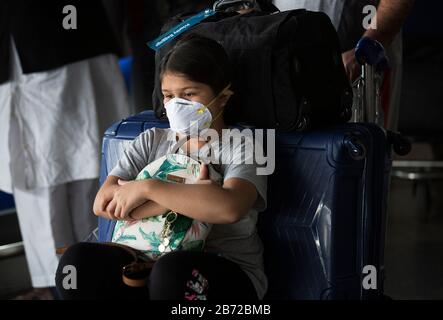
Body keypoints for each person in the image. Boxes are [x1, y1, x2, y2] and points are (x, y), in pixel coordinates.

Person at [55, 34, 268, 300]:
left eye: (189, 94)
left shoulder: (245, 145)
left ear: (222, 97)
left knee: (170, 273)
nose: (176, 105)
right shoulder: (151, 141)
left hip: (218, 267)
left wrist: (147, 187)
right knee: (78, 262)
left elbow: (228, 207)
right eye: (168, 95)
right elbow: (104, 204)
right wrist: (186, 196)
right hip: (142, 256)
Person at [0, 0, 130, 299]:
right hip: (37, 41)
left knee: (81, 170)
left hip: (55, 39)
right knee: (53, 175)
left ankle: (83, 278)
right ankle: (70, 281)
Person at [273, 0, 414, 131]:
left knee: (366, 149)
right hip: (285, 64)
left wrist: (368, 47)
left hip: (360, 69)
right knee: (291, 151)